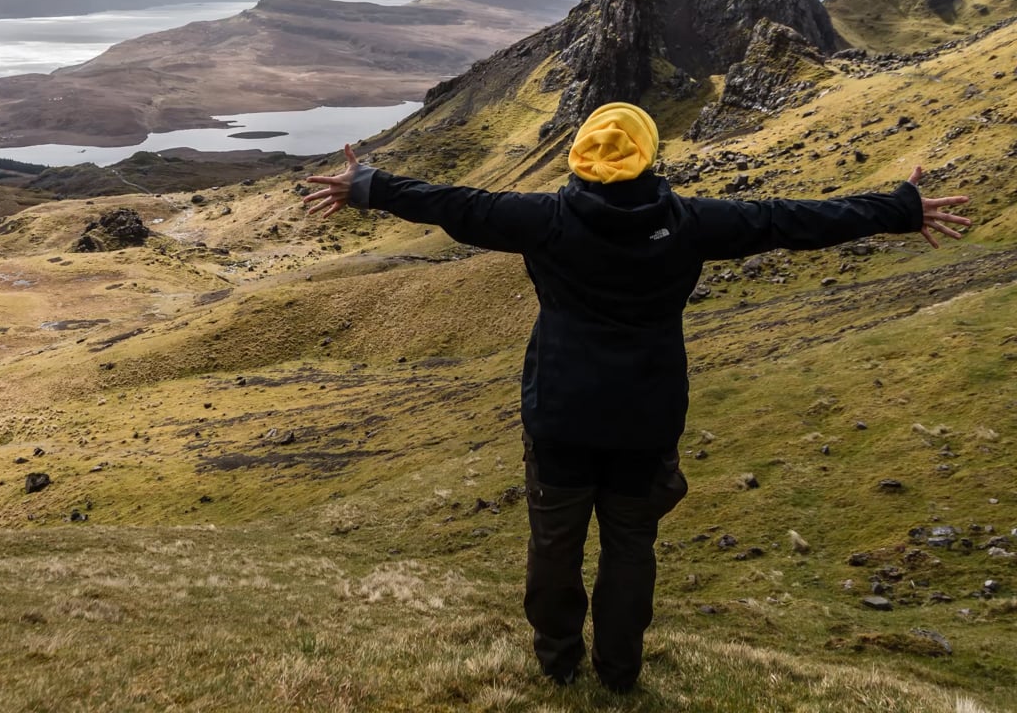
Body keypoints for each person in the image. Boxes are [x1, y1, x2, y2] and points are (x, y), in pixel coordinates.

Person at [302, 102, 971, 692]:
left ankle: (558, 662)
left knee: (554, 544)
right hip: (646, 420)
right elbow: (787, 221)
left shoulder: (544, 219)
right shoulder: (689, 223)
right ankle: (619, 673)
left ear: (580, 159)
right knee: (630, 546)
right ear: (651, 157)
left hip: (560, 415)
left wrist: (371, 186)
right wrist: (899, 209)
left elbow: (458, 205)